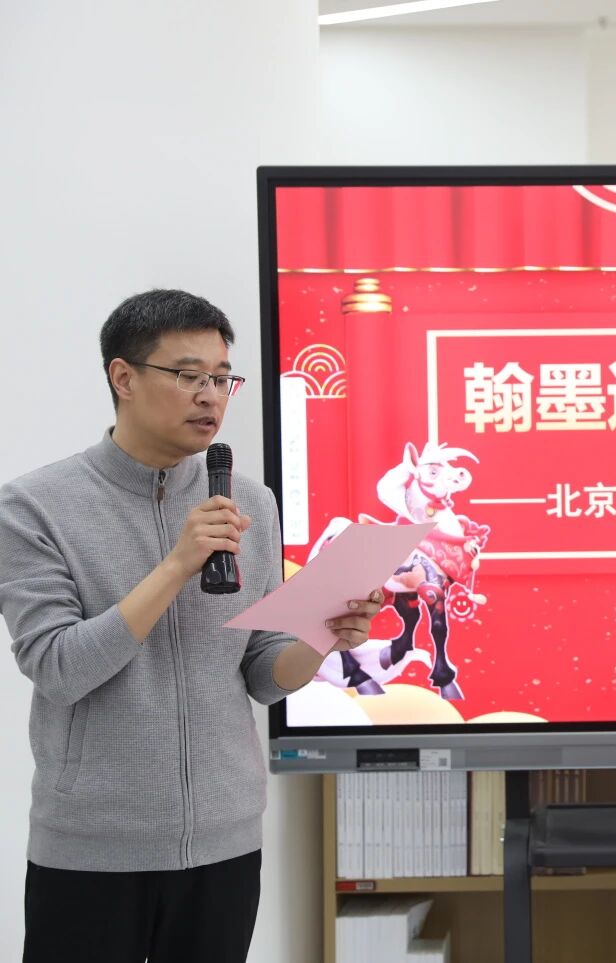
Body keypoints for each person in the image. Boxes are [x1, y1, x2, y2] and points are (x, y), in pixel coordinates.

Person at [0, 289, 382, 963]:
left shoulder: (249, 502)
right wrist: (177, 564)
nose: (210, 396)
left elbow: (262, 672)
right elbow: (58, 668)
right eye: (188, 375)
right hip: (92, 850)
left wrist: (324, 633)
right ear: (123, 377)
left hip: (224, 843)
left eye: (222, 378)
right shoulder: (34, 507)